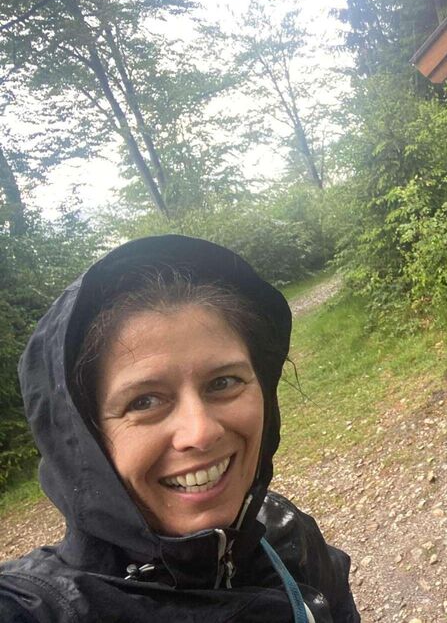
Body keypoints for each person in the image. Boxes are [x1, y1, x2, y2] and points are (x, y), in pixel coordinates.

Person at [0, 235, 361, 622]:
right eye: (144, 402)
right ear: (83, 437)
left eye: (223, 382)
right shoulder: (41, 608)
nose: (200, 432)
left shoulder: (285, 533)